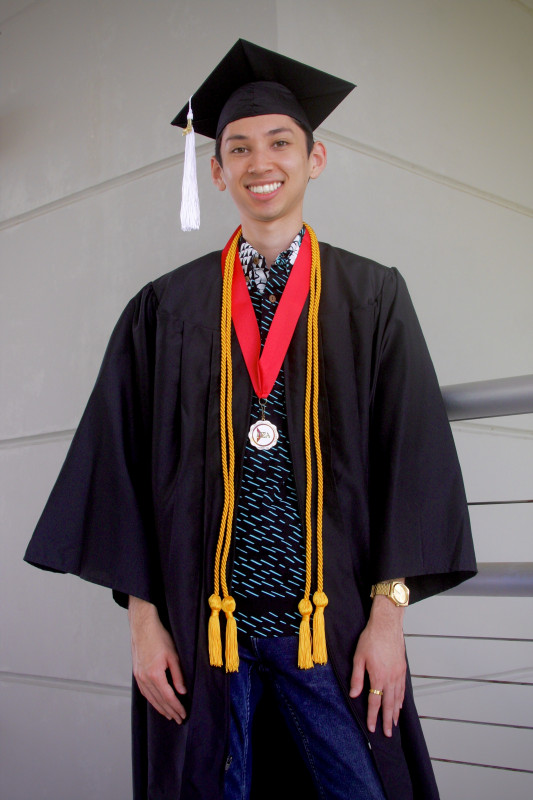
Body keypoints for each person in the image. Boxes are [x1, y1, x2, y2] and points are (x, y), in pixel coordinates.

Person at [25, 40, 476, 800]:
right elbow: (120, 468)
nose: (258, 161)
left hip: (325, 634)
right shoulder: (164, 310)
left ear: (314, 159)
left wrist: (388, 616)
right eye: (237, 147)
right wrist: (142, 622)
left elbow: (413, 458)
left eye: (279, 143)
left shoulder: (371, 299)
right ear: (216, 170)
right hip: (207, 638)